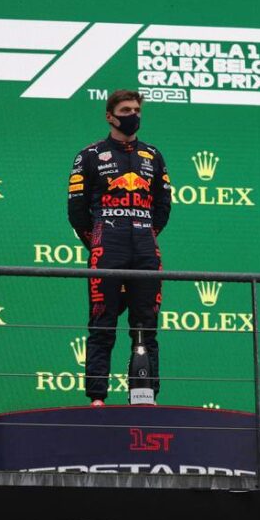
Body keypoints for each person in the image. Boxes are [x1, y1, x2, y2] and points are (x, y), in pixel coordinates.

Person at [68, 90, 171, 406]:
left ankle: (144, 396)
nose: (133, 115)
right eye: (126, 109)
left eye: (137, 109)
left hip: (145, 252)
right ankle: (97, 397)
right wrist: (100, 240)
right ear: (109, 116)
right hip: (106, 251)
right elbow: (77, 212)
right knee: (102, 324)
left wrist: (141, 234)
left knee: (146, 328)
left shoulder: (153, 156)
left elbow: (163, 208)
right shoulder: (89, 156)